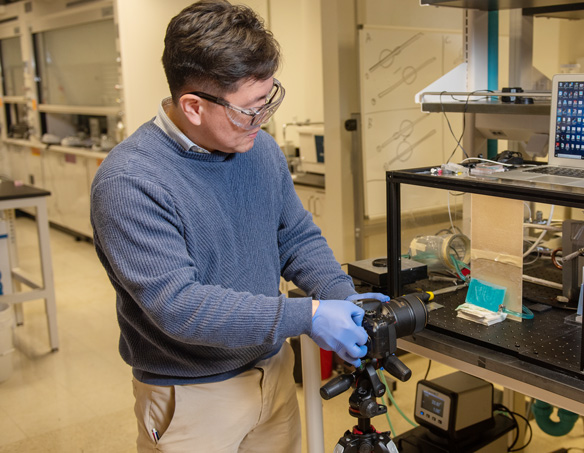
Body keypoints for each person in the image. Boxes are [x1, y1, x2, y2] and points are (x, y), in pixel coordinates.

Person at [90, 1, 384, 451]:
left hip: (273, 374)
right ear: (192, 106)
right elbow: (180, 306)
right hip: (193, 398)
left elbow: (295, 237)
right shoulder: (130, 181)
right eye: (249, 110)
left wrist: (341, 296)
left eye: (268, 100)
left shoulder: (260, 150)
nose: (263, 119)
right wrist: (307, 315)